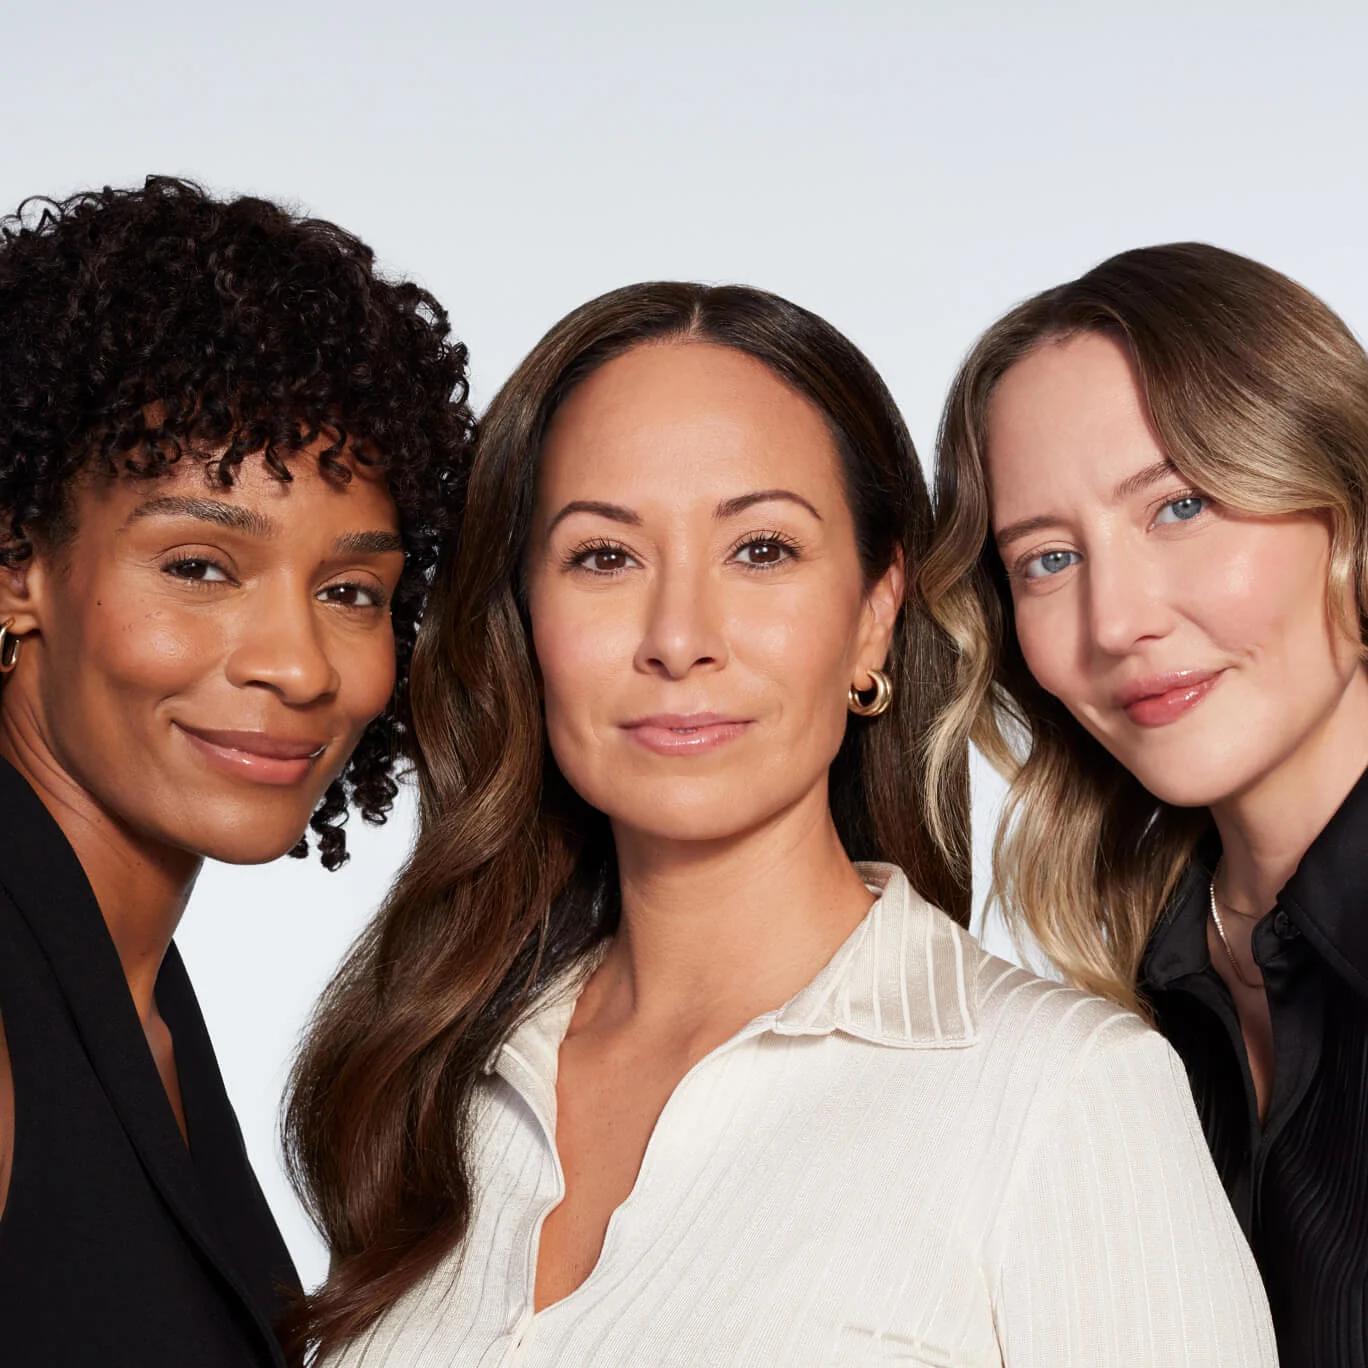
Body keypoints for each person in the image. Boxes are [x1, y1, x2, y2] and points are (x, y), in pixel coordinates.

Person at [283, 281, 1275, 1367]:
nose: (680, 638)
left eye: (761, 549)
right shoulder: (436, 1084)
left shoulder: (1062, 1094)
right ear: (524, 624)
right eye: (604, 557)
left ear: (873, 616)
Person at [0, 176, 472, 1368]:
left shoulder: (136, 994)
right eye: (200, 566)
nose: (298, 666)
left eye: (350, 591)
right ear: (19, 569)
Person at [922, 241, 1368, 1366]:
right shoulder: (1137, 1008)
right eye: (1047, 560)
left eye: (1179, 507)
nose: (1116, 620)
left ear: (1344, 506)